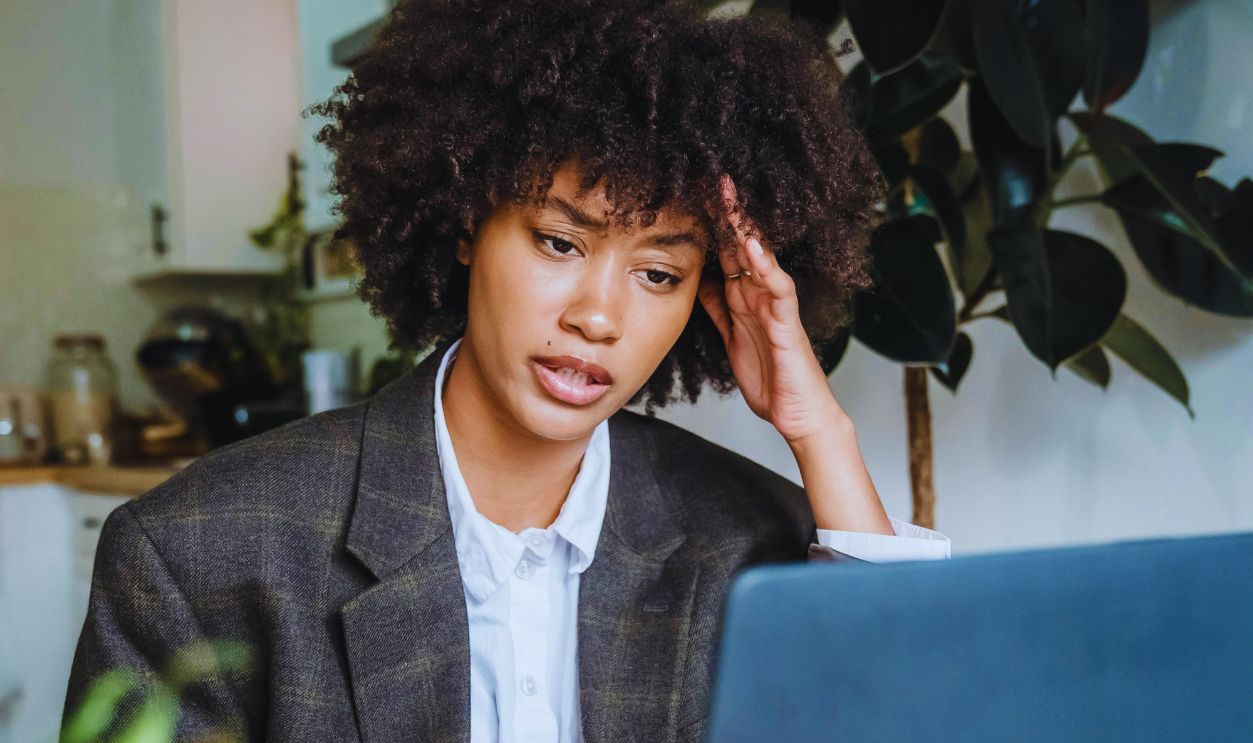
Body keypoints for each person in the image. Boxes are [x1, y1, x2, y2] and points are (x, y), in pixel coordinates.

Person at [63, 0, 950, 741]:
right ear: (462, 225)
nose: (597, 317)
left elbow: (900, 714)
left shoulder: (754, 542)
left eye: (658, 273)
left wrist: (817, 429)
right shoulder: (197, 555)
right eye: (559, 241)